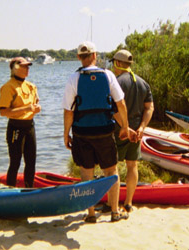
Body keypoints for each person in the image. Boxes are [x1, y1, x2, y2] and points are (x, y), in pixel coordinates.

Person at [62, 41, 133, 223]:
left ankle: (91, 213)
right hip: (104, 131)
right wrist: (125, 126)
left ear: (79, 57)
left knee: (87, 173)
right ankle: (115, 212)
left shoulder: (73, 79)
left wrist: (66, 134)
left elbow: (68, 111)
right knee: (111, 170)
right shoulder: (108, 75)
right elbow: (121, 104)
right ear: (95, 55)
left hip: (82, 133)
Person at [109, 49, 154, 214]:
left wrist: (124, 127)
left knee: (112, 167)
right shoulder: (143, 83)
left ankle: (111, 203)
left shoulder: (116, 82)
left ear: (118, 63)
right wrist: (141, 128)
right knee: (132, 165)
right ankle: (128, 202)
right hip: (136, 132)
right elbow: (149, 108)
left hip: (119, 130)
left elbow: (113, 109)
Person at [0, 57, 41, 188]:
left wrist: (36, 108)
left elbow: (36, 103)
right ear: (15, 68)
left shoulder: (31, 86)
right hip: (16, 127)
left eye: (28, 66)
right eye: (24, 66)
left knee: (31, 161)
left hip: (29, 126)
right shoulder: (8, 87)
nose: (27, 69)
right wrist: (26, 108)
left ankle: (29, 189)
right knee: (15, 162)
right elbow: (3, 112)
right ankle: (10, 190)